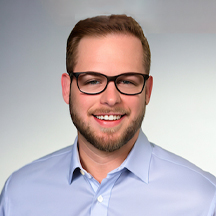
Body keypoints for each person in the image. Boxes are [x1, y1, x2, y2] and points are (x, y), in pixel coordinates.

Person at [0, 14, 216, 216]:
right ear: (67, 89)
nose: (111, 99)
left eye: (127, 81)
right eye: (92, 81)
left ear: (147, 91)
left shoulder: (203, 200)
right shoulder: (17, 195)